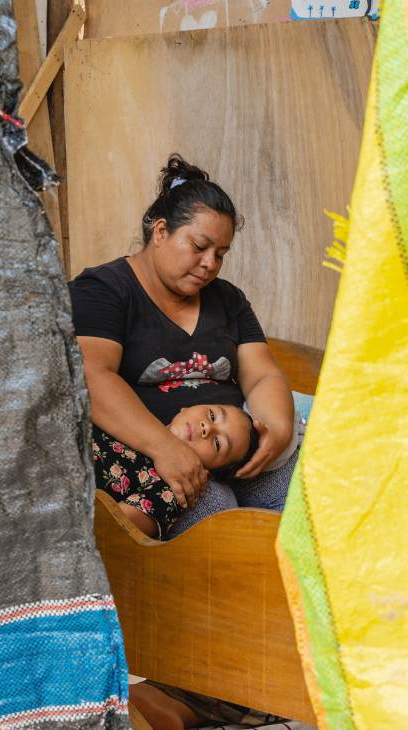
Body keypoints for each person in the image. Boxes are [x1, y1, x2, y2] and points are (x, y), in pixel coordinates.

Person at [69, 154, 294, 515]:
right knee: (215, 506)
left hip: (228, 450)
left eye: (220, 254)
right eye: (199, 247)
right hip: (154, 457)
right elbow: (91, 375)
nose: (210, 264)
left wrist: (277, 431)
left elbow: (263, 373)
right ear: (161, 232)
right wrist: (164, 448)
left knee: (303, 488)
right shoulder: (105, 290)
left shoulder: (227, 298)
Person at [92, 403, 260, 538]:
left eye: (218, 443)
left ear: (208, 473)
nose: (207, 428)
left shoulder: (171, 493)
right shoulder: (135, 412)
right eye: (212, 415)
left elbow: (106, 528)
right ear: (187, 408)